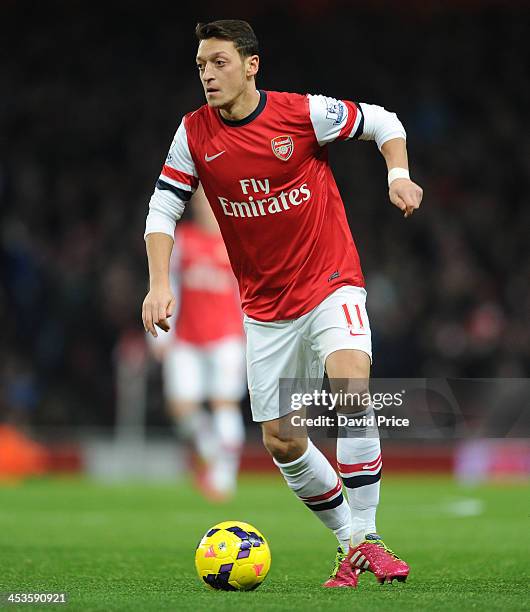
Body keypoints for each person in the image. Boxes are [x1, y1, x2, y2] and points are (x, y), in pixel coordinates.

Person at [142, 19, 423, 588]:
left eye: (218, 62)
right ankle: (352, 544)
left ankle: (367, 535)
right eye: (200, 65)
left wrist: (399, 173)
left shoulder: (300, 114)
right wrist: (159, 283)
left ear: (251, 65)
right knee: (282, 438)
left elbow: (383, 121)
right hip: (266, 305)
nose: (207, 75)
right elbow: (162, 207)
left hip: (329, 279)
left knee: (351, 387)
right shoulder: (194, 133)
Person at [148, 185, 246, 501]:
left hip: (228, 336)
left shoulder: (237, 242)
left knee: (223, 402)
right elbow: (168, 283)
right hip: (187, 337)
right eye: (202, 202)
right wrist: (165, 331)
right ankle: (213, 450)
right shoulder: (184, 240)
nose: (207, 208)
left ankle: (224, 477)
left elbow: (249, 293)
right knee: (180, 408)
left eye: (211, 202)